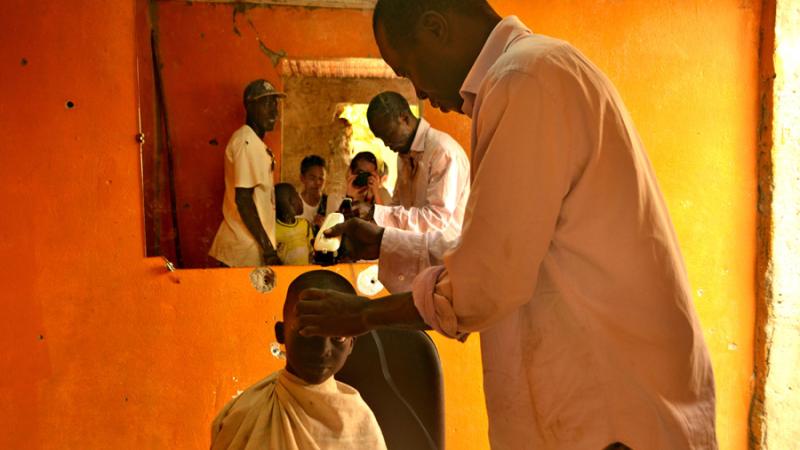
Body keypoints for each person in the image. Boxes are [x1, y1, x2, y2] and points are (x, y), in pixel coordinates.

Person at [295, 1, 718, 449]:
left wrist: (363, 315)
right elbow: (493, 248)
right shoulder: (534, 72)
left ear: (436, 28)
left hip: (613, 416)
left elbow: (485, 283)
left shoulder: (524, 80)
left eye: (409, 69)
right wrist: (386, 241)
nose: (418, 92)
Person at [210, 270, 387, 450]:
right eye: (307, 332)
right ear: (281, 333)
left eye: (338, 338)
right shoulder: (245, 414)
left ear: (351, 344)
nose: (322, 350)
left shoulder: (358, 419)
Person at [365, 91, 470, 240]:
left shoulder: (442, 151)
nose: (386, 143)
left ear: (404, 119)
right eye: (381, 138)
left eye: (389, 134)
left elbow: (435, 221)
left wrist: (376, 213)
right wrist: (369, 217)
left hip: (445, 258)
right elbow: (398, 206)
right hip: (418, 255)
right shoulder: (403, 156)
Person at [209, 79, 283, 267]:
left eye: (275, 103)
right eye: (267, 103)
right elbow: (243, 199)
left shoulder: (256, 144)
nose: (275, 110)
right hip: (242, 250)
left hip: (250, 248)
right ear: (250, 106)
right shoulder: (245, 141)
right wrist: (269, 250)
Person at [298, 155, 343, 234]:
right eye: (312, 178)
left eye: (321, 178)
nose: (317, 183)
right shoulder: (293, 205)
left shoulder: (331, 203)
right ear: (302, 178)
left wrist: (325, 227)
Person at [274, 183, 314, 265]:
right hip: (287, 275)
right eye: (296, 195)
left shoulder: (305, 224)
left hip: (305, 273)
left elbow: (311, 252)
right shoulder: (273, 230)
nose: (300, 199)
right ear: (291, 203)